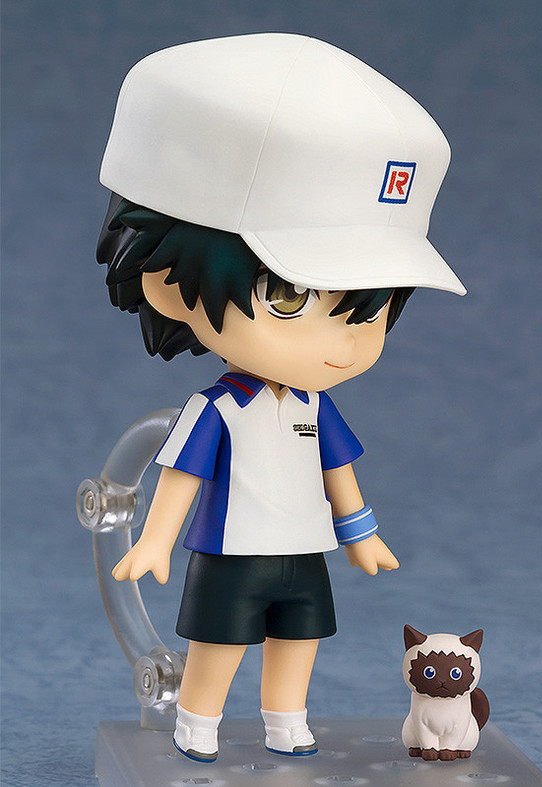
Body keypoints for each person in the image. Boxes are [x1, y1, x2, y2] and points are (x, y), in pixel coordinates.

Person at [97, 33, 465, 763]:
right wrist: (156, 539)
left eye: (371, 309)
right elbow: (181, 474)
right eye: (292, 298)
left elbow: (339, 472)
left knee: (300, 637)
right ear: (167, 280)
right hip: (231, 551)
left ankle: (285, 719)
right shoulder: (216, 410)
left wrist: (360, 533)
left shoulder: (315, 407)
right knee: (220, 641)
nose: (344, 345)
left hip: (305, 549)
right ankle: (197, 721)